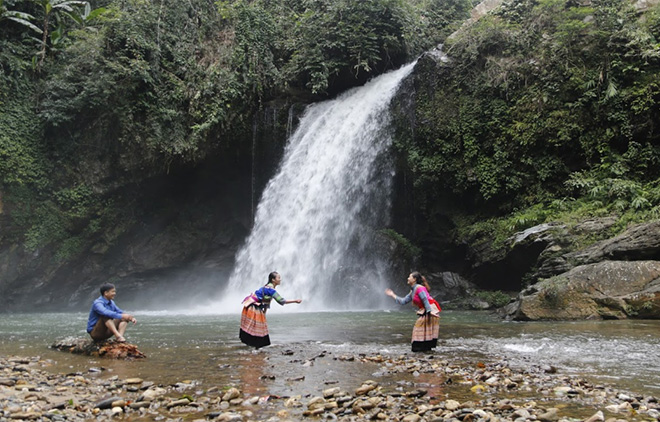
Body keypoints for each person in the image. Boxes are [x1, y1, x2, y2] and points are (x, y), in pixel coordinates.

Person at [239, 271, 302, 348]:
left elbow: (266, 302)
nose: (280, 280)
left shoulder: (266, 287)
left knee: (255, 327)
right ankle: (255, 347)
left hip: (250, 306)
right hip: (253, 308)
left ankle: (254, 347)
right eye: (278, 278)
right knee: (257, 328)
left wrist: (264, 313)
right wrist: (295, 301)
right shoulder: (271, 290)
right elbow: (281, 301)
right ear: (273, 280)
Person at [385, 271, 441, 352]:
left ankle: (420, 348)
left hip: (430, 310)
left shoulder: (419, 288)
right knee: (423, 329)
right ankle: (423, 349)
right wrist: (392, 294)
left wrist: (429, 312)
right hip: (425, 310)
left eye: (409, 277)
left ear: (414, 279)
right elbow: (403, 301)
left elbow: (425, 299)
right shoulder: (413, 291)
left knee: (418, 327)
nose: (408, 278)